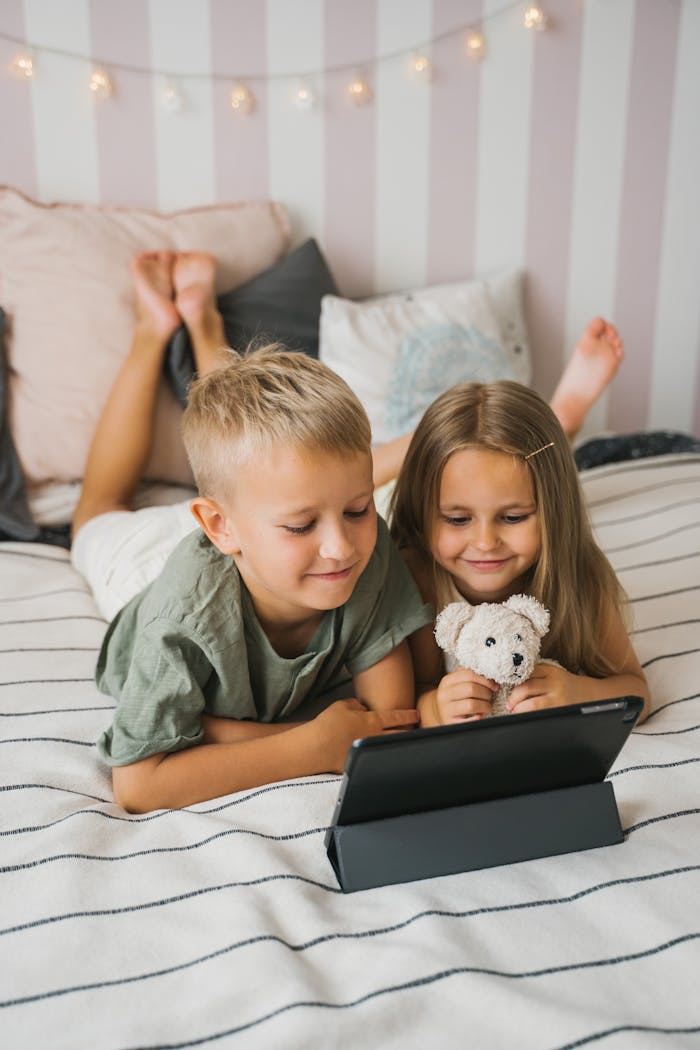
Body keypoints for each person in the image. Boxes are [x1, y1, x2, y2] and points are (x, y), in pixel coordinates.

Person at [73, 254, 433, 812]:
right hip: (147, 566)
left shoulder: (359, 550)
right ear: (219, 526)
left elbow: (385, 727)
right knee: (97, 510)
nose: (341, 546)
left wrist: (216, 733)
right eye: (303, 524)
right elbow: (138, 784)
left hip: (255, 537)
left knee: (259, 461)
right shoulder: (179, 624)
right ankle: (155, 330)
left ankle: (206, 327)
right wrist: (310, 746)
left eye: (360, 509)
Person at [388, 379, 651, 728]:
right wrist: (436, 708)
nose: (485, 542)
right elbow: (411, 693)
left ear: (552, 513)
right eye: (457, 519)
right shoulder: (416, 580)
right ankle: (566, 420)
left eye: (513, 517)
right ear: (425, 516)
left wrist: (579, 693)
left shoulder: (579, 577)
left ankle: (566, 424)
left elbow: (638, 693)